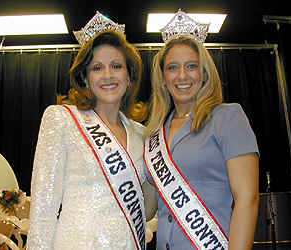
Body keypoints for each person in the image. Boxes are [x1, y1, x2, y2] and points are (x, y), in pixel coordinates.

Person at [27, 11, 149, 250]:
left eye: (116, 66)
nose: (108, 75)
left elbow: (144, 208)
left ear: (130, 76)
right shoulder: (62, 119)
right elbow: (43, 210)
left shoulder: (142, 134)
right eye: (97, 68)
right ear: (84, 77)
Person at [143, 10, 260, 250]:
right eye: (173, 67)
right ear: (163, 77)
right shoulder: (155, 133)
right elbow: (150, 206)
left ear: (204, 73)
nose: (182, 76)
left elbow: (247, 199)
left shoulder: (227, 117)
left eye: (191, 66)